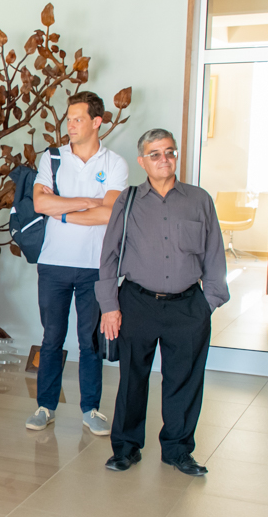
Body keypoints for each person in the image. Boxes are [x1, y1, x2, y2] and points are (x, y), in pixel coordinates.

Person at [97, 128, 230, 475]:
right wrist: (109, 305)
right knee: (132, 379)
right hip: (137, 302)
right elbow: (109, 255)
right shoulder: (128, 201)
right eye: (155, 154)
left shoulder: (199, 200)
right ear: (142, 161)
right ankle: (126, 448)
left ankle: (178, 451)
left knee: (184, 381)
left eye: (169, 152)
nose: (164, 159)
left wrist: (207, 303)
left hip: (188, 306)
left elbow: (214, 252)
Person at [26, 91, 129, 436]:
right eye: (68, 119)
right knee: (52, 338)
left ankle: (91, 409)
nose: (70, 125)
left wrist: (64, 210)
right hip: (53, 263)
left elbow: (110, 213)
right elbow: (41, 205)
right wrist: (88, 202)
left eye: (78, 119)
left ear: (97, 122)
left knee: (90, 341)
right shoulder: (52, 158)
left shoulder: (114, 163)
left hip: (95, 267)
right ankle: (45, 406)